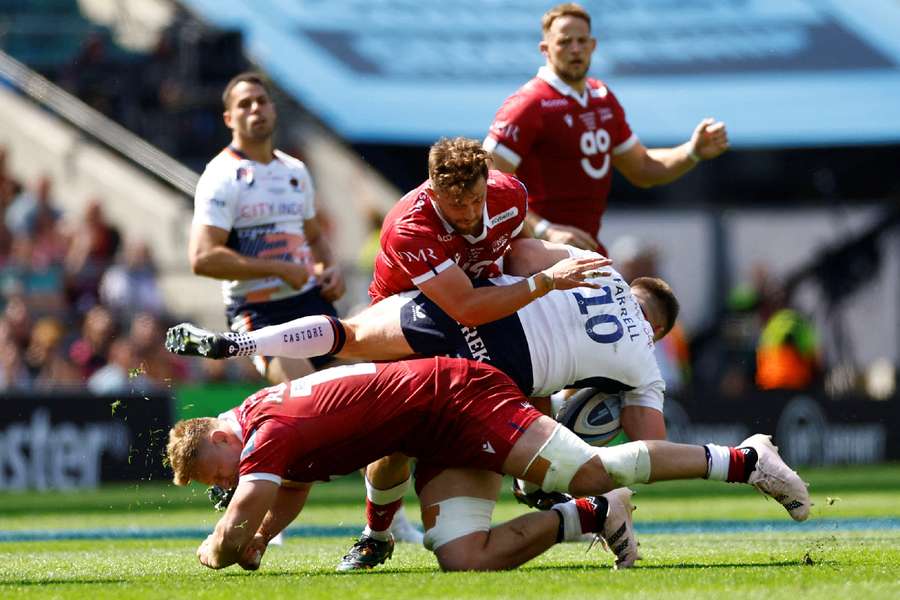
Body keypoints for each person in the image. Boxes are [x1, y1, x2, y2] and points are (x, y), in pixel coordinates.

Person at [166, 356, 810, 573]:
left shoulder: (265, 432)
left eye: (213, 473)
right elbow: (291, 489)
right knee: (463, 557)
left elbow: (237, 521)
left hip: (458, 399)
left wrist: (221, 548)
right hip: (432, 431)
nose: (221, 484)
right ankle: (593, 519)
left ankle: (745, 458)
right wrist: (259, 544)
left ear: (218, 438)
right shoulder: (258, 414)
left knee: (588, 467)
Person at [167, 259, 671, 441]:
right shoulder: (643, 360)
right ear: (654, 328)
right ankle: (379, 529)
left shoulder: (599, 268)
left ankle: (238, 345)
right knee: (386, 424)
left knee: (349, 338)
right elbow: (652, 446)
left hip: (466, 305)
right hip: (497, 367)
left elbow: (517, 250)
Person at [483, 3, 730, 252]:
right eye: (565, 42)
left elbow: (642, 168)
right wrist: (544, 229)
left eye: (582, 41)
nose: (575, 49)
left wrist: (692, 151)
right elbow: (487, 183)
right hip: (535, 252)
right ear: (545, 49)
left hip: (585, 248)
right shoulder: (528, 103)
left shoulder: (602, 97)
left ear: (593, 46)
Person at [189, 72, 345, 385]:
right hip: (259, 311)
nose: (256, 109)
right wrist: (278, 268)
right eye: (245, 105)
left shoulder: (295, 170)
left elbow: (313, 236)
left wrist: (331, 269)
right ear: (229, 118)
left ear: (273, 109)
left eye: (262, 101)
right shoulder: (220, 175)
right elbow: (202, 258)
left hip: (311, 301)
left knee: (359, 395)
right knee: (308, 398)